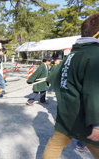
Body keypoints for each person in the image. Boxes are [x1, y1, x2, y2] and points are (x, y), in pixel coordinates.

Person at [42, 13, 99, 159]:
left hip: (66, 114)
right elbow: (93, 91)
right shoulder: (95, 54)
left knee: (54, 145)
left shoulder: (71, 55)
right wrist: (97, 123)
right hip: (85, 118)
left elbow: (56, 81)